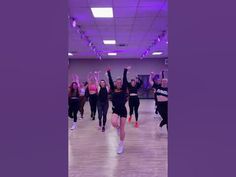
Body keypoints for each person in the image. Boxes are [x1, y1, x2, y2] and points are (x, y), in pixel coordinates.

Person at [107, 66, 130, 154]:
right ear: (115, 83)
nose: (119, 83)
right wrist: (108, 72)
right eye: (118, 82)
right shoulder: (113, 88)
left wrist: (125, 70)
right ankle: (118, 128)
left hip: (123, 110)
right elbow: (109, 80)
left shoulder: (124, 89)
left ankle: (121, 145)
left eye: (120, 82)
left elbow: (125, 79)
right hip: (115, 109)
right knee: (113, 122)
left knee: (122, 129)